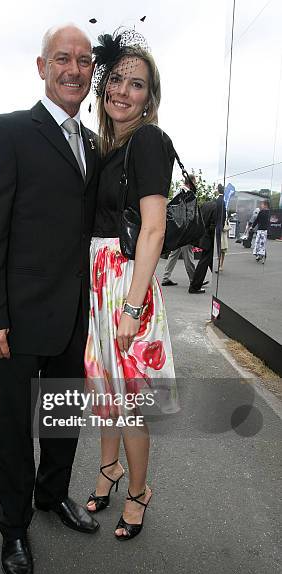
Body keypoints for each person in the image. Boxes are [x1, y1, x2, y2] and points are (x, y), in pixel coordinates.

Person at [0, 24, 99, 574]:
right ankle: (13, 526)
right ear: (41, 67)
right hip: (17, 318)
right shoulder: (9, 131)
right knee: (16, 426)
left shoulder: (91, 143)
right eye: (62, 59)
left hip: (74, 311)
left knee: (63, 413)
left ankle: (52, 494)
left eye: (84, 61)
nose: (74, 69)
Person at [84, 30, 176, 541]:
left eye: (136, 84)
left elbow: (155, 229)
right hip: (100, 283)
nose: (123, 90)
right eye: (115, 78)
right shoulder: (106, 147)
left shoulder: (148, 140)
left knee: (130, 397)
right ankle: (108, 468)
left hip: (126, 284)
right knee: (103, 387)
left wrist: (132, 308)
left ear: (150, 97)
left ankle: (139, 490)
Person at [188, 183, 225, 293]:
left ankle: (197, 284)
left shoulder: (205, 205)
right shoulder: (218, 206)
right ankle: (194, 286)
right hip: (209, 238)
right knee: (204, 261)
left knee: (207, 260)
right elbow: (216, 225)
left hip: (203, 236)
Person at [161, 174, 196, 286]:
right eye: (195, 182)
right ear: (191, 182)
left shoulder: (179, 190)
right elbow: (188, 211)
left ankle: (166, 277)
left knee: (174, 253)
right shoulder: (187, 193)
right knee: (188, 253)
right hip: (184, 228)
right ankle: (194, 280)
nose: (196, 184)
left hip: (177, 228)